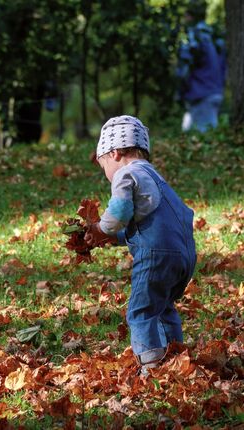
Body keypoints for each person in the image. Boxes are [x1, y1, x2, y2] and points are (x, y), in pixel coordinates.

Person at [85, 115, 196, 374]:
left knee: (141, 311)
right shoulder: (153, 176)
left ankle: (151, 366)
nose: (107, 176)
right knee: (163, 306)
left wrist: (101, 229)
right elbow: (151, 225)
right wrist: (113, 238)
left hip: (156, 256)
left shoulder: (126, 173)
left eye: (103, 168)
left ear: (114, 153)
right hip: (183, 255)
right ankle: (175, 356)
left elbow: (120, 211)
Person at [176, 2, 225, 132]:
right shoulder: (213, 35)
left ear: (191, 17)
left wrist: (180, 92)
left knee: (204, 139)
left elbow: (184, 68)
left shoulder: (193, 37)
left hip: (201, 95)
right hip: (215, 92)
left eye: (186, 16)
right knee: (187, 136)